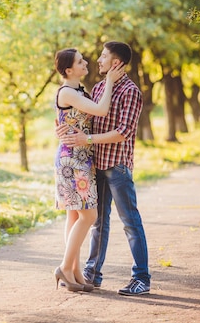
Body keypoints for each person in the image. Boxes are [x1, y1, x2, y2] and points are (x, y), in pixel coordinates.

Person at [57, 41, 151, 296]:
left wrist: (85, 139)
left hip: (117, 165)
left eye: (104, 56)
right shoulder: (98, 88)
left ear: (116, 63)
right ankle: (92, 273)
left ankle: (141, 278)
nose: (98, 60)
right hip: (93, 164)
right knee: (98, 222)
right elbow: (78, 116)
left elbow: (123, 132)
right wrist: (63, 127)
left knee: (130, 222)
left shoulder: (131, 91)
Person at [52, 48, 124, 292]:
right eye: (80, 61)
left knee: (74, 216)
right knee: (89, 216)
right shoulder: (67, 92)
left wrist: (60, 126)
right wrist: (111, 81)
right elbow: (101, 110)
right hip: (73, 161)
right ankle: (64, 266)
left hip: (81, 158)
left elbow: (68, 120)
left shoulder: (80, 91)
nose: (86, 63)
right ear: (69, 70)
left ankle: (74, 270)